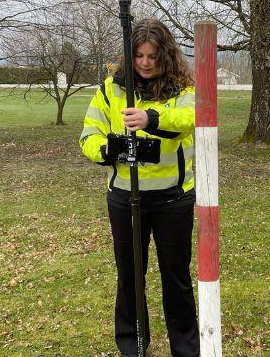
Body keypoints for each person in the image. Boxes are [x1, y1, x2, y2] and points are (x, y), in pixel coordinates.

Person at [79, 18, 199, 357]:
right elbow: (89, 134)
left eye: (153, 56)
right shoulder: (110, 89)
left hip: (173, 199)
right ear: (130, 56)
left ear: (167, 56)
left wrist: (151, 119)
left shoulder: (182, 89)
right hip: (124, 199)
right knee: (130, 276)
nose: (145, 63)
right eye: (139, 56)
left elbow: (189, 119)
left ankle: (186, 348)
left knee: (176, 278)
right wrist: (106, 150)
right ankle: (133, 346)